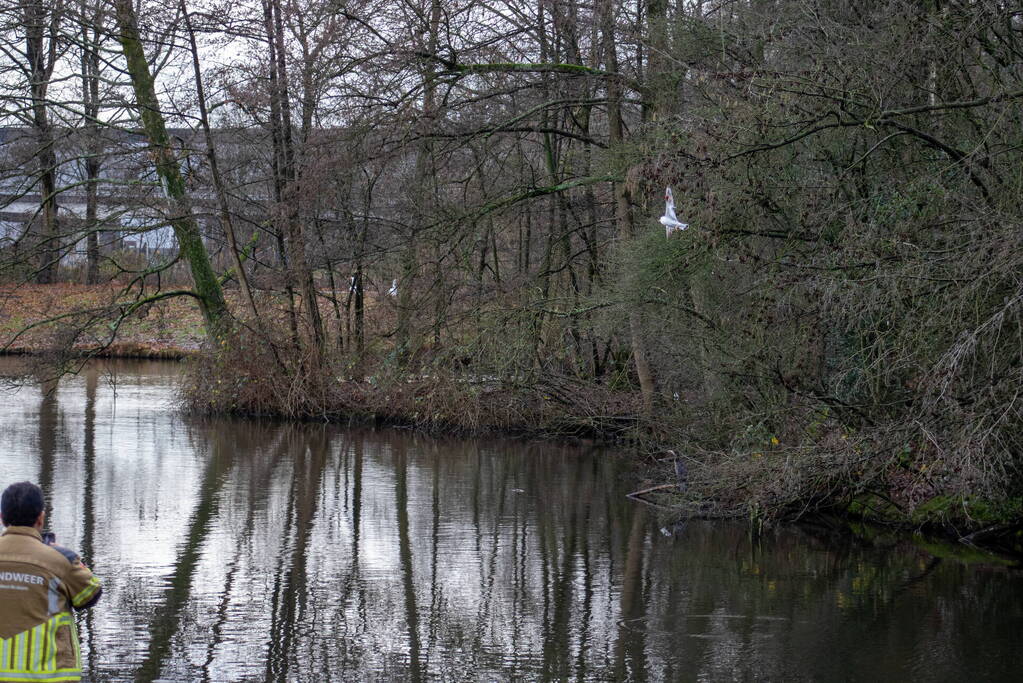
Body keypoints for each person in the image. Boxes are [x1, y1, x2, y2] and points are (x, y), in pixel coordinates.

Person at [0, 481, 101, 682]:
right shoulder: (60, 559)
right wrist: (75, 561)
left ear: (2, 518)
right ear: (40, 518)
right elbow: (90, 595)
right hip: (49, 675)